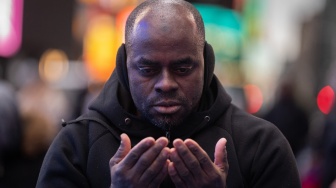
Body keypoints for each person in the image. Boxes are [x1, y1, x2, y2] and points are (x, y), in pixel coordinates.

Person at [37, 0, 301, 187]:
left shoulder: (261, 146)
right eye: (147, 68)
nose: (166, 84)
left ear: (207, 63)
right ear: (123, 65)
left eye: (183, 68)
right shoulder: (76, 146)